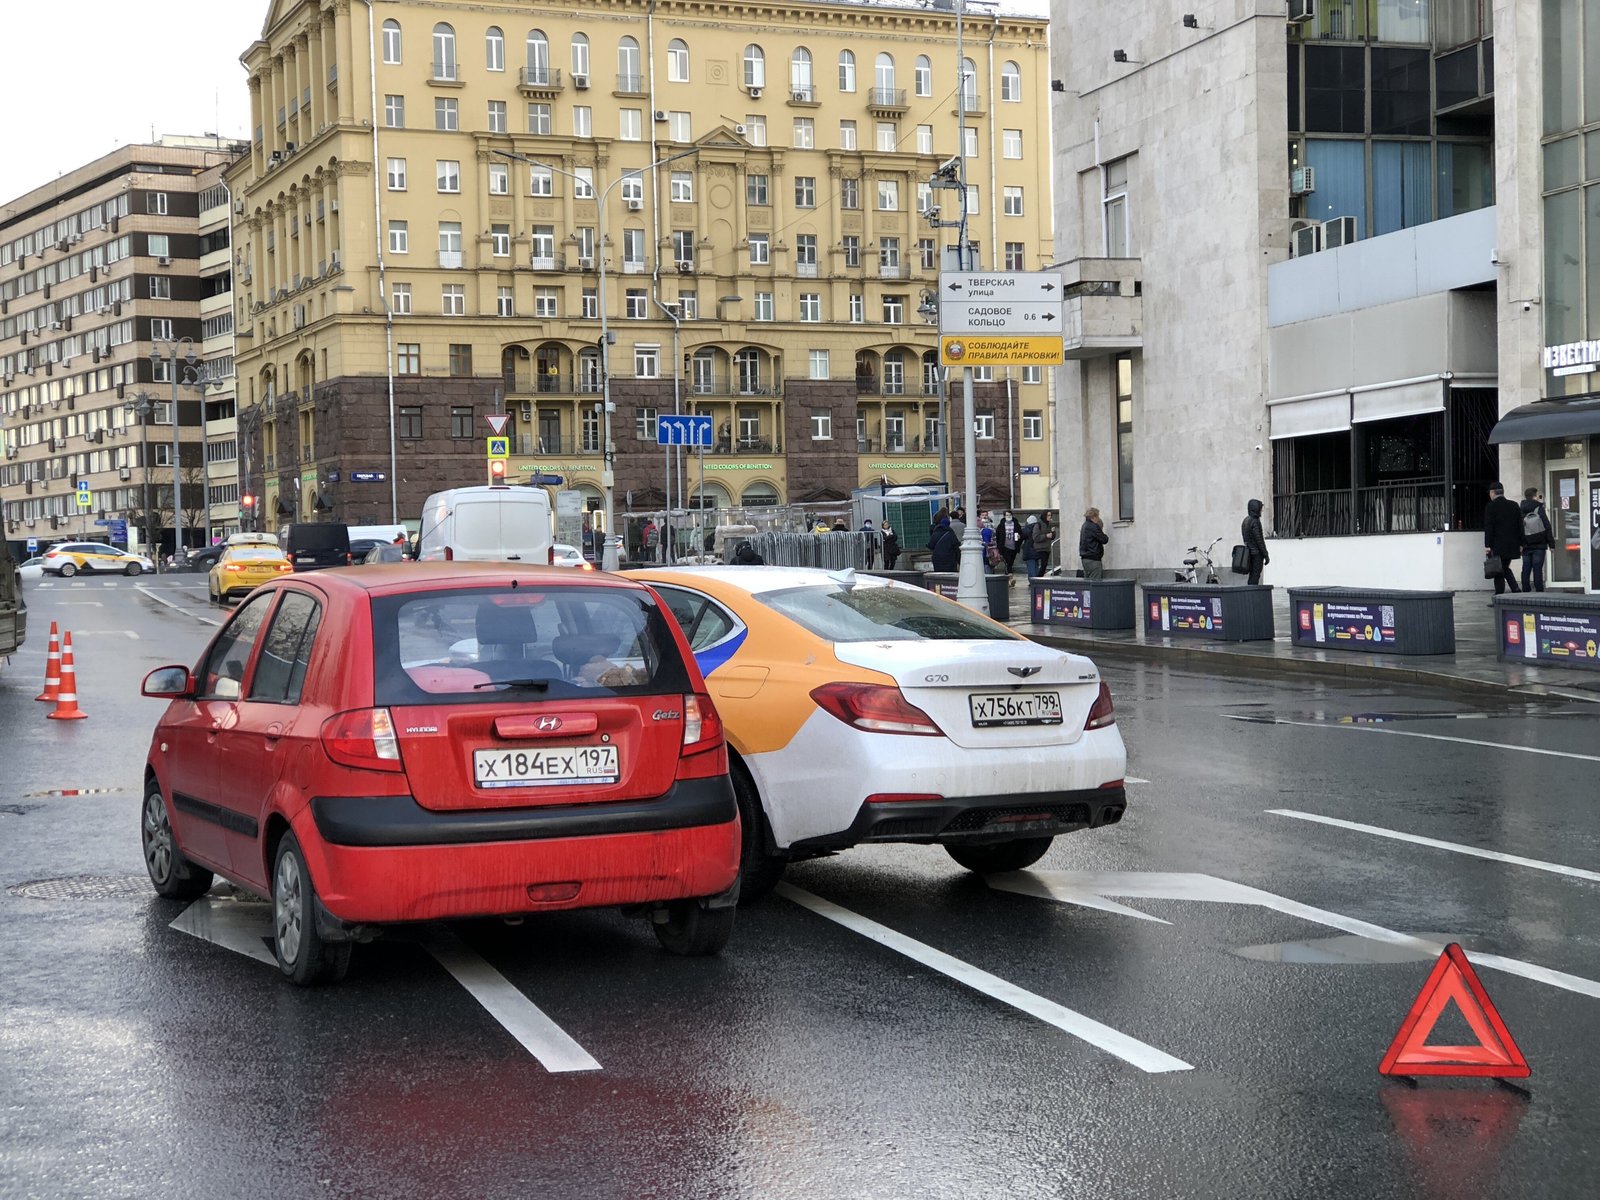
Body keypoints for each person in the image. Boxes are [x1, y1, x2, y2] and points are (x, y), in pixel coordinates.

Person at [1483, 482, 1523, 601]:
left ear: (1492, 493)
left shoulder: (1491, 506)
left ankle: (1500, 595)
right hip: (1512, 544)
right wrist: (1521, 542)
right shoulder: (1514, 505)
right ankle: (1515, 590)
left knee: (1499, 570)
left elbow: (1489, 526)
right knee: (1504, 567)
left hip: (1497, 545)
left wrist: (1487, 545)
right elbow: (1520, 525)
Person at [1519, 486, 1553, 593]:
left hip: (1525, 544)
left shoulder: (1521, 509)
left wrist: (1519, 543)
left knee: (1526, 569)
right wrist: (1551, 544)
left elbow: (1518, 527)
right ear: (1534, 496)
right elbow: (1547, 526)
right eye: (1537, 495)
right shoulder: (1539, 507)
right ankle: (1539, 592)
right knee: (1537, 569)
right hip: (1539, 544)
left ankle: (1526, 591)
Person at [1241, 499, 1269, 585]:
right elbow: (1259, 540)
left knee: (1252, 575)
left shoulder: (1246, 520)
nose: (1261, 510)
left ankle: (1250, 593)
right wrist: (1265, 554)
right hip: (1256, 554)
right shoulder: (1255, 521)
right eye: (1260, 508)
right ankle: (1252, 595)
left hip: (1249, 552)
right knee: (1255, 575)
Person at [1078, 507, 1108, 580]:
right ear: (1094, 517)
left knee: (1088, 584)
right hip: (1093, 558)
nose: (1098, 518)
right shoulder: (1093, 526)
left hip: (1085, 558)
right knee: (1095, 583)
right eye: (1097, 516)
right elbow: (1104, 539)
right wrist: (1101, 531)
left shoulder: (1084, 525)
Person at [996, 511, 1025, 577]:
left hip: (1014, 546)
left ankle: (1008, 573)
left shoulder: (1016, 524)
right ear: (1004, 516)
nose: (1008, 516)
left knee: (1011, 561)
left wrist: (1020, 537)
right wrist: (999, 545)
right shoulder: (1001, 525)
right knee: (1008, 560)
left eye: (1010, 515)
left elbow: (1021, 533)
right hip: (1005, 546)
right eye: (1007, 515)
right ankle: (1010, 574)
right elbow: (998, 536)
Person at [1028, 512, 1053, 579]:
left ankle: (1038, 579)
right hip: (1040, 548)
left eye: (1050, 515)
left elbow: (1052, 537)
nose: (1050, 517)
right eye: (1048, 515)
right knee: (1043, 565)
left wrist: (1053, 532)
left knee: (1044, 565)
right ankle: (1037, 579)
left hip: (1047, 548)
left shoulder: (1049, 524)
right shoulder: (1038, 525)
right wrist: (1046, 536)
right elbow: (1035, 537)